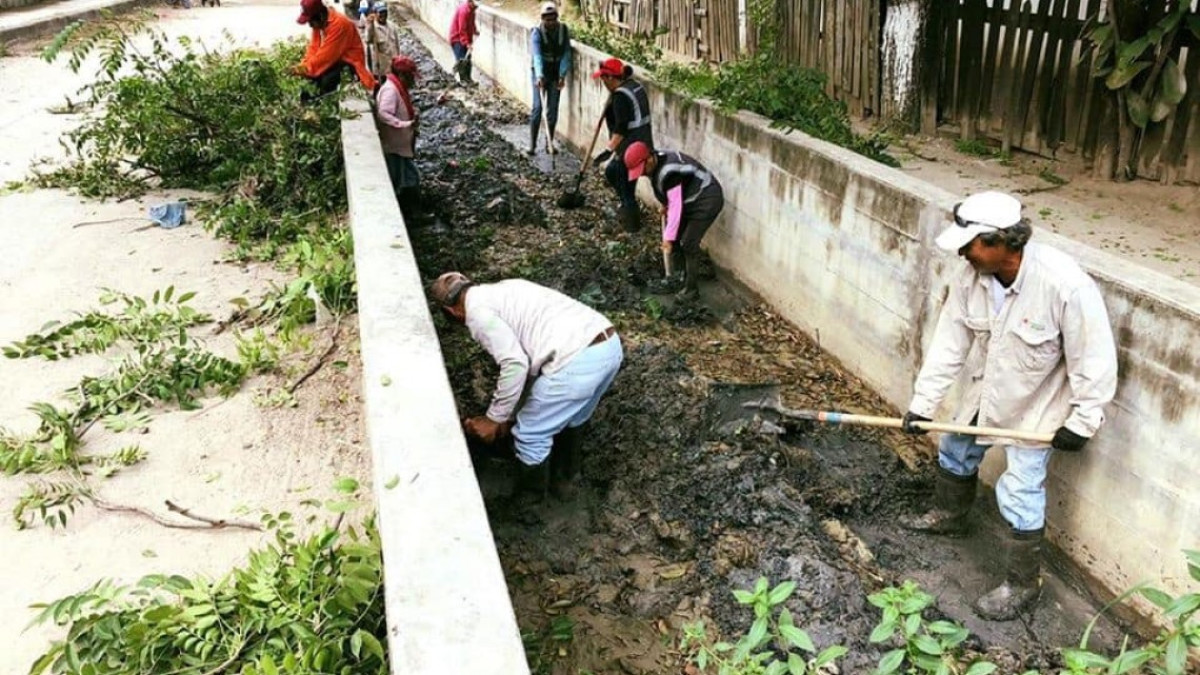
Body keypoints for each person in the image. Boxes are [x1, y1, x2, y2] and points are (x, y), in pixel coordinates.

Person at [898, 191, 1118, 621]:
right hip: (988, 386)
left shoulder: (1064, 285)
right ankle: (949, 512)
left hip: (1038, 402)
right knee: (956, 446)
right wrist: (923, 404)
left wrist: (1085, 419)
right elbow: (949, 344)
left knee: (1020, 488)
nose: (963, 252)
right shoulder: (970, 279)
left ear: (1005, 243)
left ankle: (1022, 583)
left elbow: (1093, 356)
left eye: (972, 243)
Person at [430, 272, 624, 495]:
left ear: (452, 311)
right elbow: (530, 360)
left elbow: (515, 365)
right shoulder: (506, 288)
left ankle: (532, 505)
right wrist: (509, 414)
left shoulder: (477, 315)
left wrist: (494, 418)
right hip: (608, 346)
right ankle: (566, 480)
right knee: (573, 416)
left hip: (576, 361)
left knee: (530, 435)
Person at [623, 141, 724, 299]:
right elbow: (672, 197)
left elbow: (676, 206)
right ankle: (680, 276)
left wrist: (668, 239)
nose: (641, 174)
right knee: (678, 237)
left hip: (706, 200)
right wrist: (666, 206)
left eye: (641, 170)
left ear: (649, 159)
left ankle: (691, 290)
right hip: (690, 200)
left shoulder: (669, 172)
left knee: (688, 243)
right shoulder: (656, 165)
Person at [591, 58, 654, 233]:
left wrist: (608, 150)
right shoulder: (634, 86)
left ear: (611, 77)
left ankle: (631, 223)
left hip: (631, 148)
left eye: (604, 78)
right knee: (626, 181)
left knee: (614, 173)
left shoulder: (620, 97)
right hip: (644, 143)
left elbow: (621, 128)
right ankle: (629, 211)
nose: (602, 82)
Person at [376, 56, 425, 223]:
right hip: (395, 144)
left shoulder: (397, 88)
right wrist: (403, 124)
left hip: (399, 144)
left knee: (403, 177)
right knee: (410, 178)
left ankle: (409, 213)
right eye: (411, 77)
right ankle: (414, 215)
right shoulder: (391, 90)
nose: (413, 82)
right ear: (403, 76)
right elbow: (383, 113)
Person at [293, 0, 376, 100]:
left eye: (310, 21)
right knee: (307, 85)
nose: (310, 25)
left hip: (350, 64)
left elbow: (325, 58)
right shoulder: (319, 24)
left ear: (321, 16)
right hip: (335, 61)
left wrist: (301, 69)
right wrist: (302, 66)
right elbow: (313, 48)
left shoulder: (339, 25)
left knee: (327, 82)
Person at [527, 2, 572, 156]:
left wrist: (562, 75)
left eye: (553, 19)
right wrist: (539, 75)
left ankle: (549, 143)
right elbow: (537, 56)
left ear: (557, 18)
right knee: (537, 108)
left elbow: (567, 54)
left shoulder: (563, 31)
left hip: (555, 74)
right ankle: (532, 145)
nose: (550, 22)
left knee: (552, 111)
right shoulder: (536, 33)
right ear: (542, 19)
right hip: (539, 73)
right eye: (547, 19)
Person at [365, 1, 401, 82]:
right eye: (380, 12)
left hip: (394, 67)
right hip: (381, 71)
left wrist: (399, 60)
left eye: (385, 12)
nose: (383, 15)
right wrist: (370, 25)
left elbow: (397, 45)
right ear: (375, 14)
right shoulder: (372, 28)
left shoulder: (392, 26)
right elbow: (367, 40)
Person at [448, 0, 479, 85]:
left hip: (465, 38)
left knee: (468, 60)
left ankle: (469, 79)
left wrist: (475, 31)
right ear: (470, 1)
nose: (476, 6)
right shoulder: (463, 11)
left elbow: (471, 23)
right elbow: (462, 30)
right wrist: (467, 44)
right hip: (457, 39)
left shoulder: (472, 10)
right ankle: (463, 81)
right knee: (462, 61)